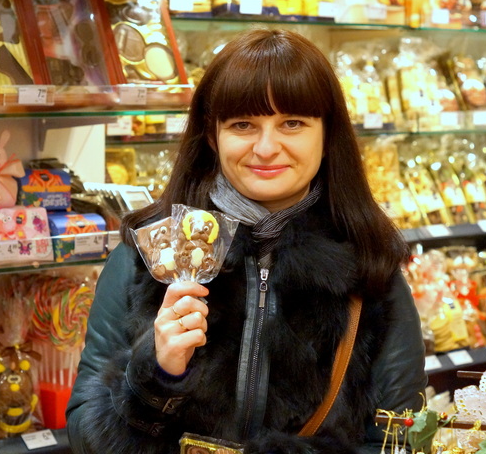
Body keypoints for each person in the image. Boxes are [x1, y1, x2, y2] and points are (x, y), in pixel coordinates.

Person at [66, 28, 427, 453]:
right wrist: (153, 375)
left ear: (327, 135)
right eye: (243, 125)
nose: (267, 147)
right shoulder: (147, 256)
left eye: (292, 123)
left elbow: (400, 441)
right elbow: (85, 437)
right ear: (212, 135)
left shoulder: (369, 266)